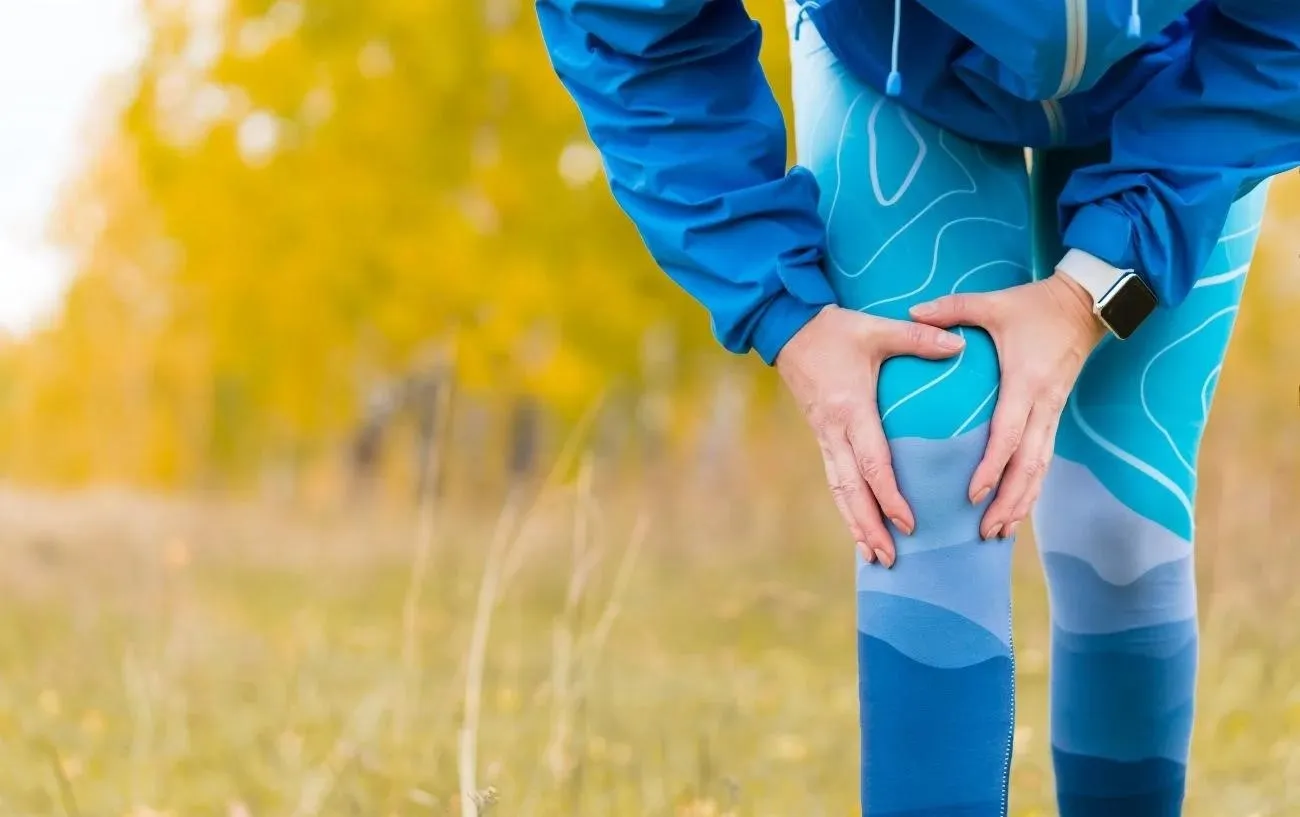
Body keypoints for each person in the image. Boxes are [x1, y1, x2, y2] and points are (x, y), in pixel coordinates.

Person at [535, 0, 1299, 812]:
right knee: (922, 492)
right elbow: (627, 25)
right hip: (894, 65)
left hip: (1190, 72)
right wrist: (781, 307)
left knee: (1124, 522)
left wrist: (1092, 293)